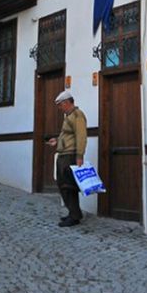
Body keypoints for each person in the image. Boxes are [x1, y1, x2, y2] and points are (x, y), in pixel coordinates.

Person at [47, 89, 87, 227]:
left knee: (68, 186)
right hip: (64, 154)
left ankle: (74, 216)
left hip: (70, 156)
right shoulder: (69, 116)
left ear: (66, 103)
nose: (59, 108)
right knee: (63, 185)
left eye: (60, 105)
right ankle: (73, 213)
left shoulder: (77, 115)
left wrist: (79, 156)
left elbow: (81, 136)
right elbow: (68, 136)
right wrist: (57, 141)